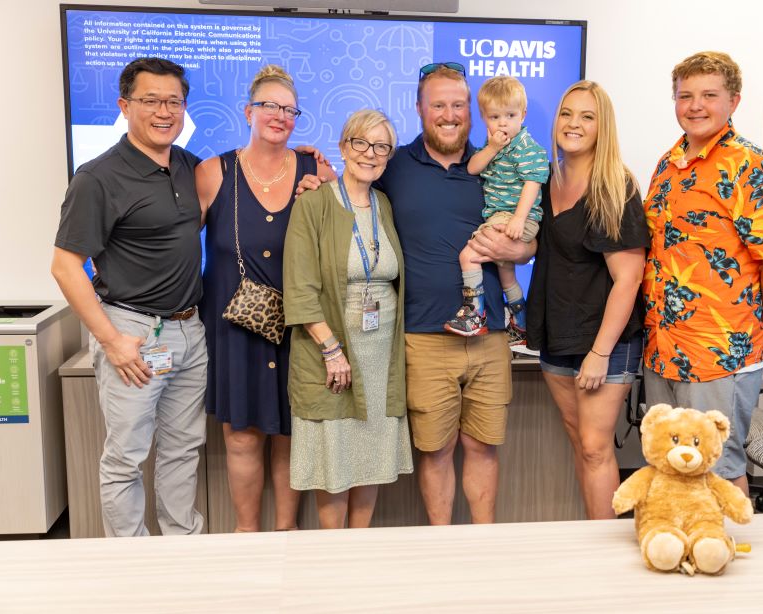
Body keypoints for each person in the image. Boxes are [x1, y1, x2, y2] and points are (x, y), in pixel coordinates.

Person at [51, 57, 206, 537]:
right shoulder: (98, 177)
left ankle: (181, 549)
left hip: (189, 329)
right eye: (151, 100)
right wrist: (112, 341)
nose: (164, 111)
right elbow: (65, 266)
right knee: (126, 457)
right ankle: (131, 562)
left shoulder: (187, 165)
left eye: (174, 102)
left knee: (183, 449)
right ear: (124, 106)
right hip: (133, 333)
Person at [375, 62, 536, 525]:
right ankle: (442, 546)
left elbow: (531, 240)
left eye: (459, 105)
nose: (449, 115)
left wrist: (518, 248)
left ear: (472, 110)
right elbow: (350, 189)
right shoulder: (394, 166)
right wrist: (312, 174)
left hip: (489, 337)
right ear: (419, 108)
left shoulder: (498, 161)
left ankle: (483, 547)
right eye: (438, 105)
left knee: (483, 447)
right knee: (436, 449)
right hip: (423, 336)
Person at [642, 51, 763, 496]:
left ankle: (723, 540)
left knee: (716, 465)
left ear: (734, 101)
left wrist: (758, 321)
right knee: (670, 462)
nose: (695, 105)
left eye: (709, 95)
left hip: (719, 351)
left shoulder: (753, 167)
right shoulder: (669, 163)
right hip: (664, 347)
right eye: (685, 96)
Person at [196, 64, 334, 532]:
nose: (280, 116)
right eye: (269, 106)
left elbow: (344, 235)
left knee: (292, 434)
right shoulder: (212, 172)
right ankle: (247, 534)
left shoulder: (318, 170)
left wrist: (327, 193)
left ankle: (286, 532)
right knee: (242, 438)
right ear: (247, 111)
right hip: (234, 329)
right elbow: (175, 243)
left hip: (301, 326)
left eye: (290, 109)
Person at [283, 109, 413, 529]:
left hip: (381, 355)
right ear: (343, 147)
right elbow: (300, 287)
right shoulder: (313, 204)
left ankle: (360, 548)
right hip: (333, 349)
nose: (369, 153)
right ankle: (334, 552)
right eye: (360, 142)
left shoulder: (384, 204)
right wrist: (331, 350)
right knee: (335, 460)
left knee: (370, 456)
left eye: (381, 146)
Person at [526, 81, 649, 520]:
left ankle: (605, 548)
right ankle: (592, 537)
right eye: (566, 114)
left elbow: (629, 278)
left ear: (603, 127)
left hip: (605, 341)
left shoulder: (614, 185)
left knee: (596, 447)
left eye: (587, 117)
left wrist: (599, 353)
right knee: (580, 440)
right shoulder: (546, 179)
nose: (573, 124)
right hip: (558, 331)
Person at [443, 75, 549, 346]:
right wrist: (492, 148)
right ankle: (520, 322)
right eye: (494, 117)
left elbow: (533, 184)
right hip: (501, 217)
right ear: (484, 118)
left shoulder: (527, 148)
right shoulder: (494, 147)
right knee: (506, 274)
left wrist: (518, 219)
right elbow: (472, 168)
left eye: (510, 115)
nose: (503, 123)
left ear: (523, 115)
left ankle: (474, 314)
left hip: (513, 217)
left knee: (468, 256)